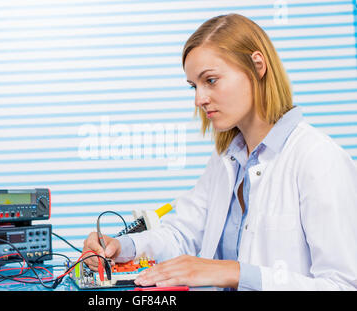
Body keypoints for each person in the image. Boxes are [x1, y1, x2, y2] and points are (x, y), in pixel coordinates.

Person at [82, 13, 357, 290]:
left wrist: (235, 273)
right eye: (194, 86)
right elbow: (183, 234)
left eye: (210, 80)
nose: (199, 99)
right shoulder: (228, 158)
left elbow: (344, 284)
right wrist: (122, 247)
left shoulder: (318, 158)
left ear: (257, 66)